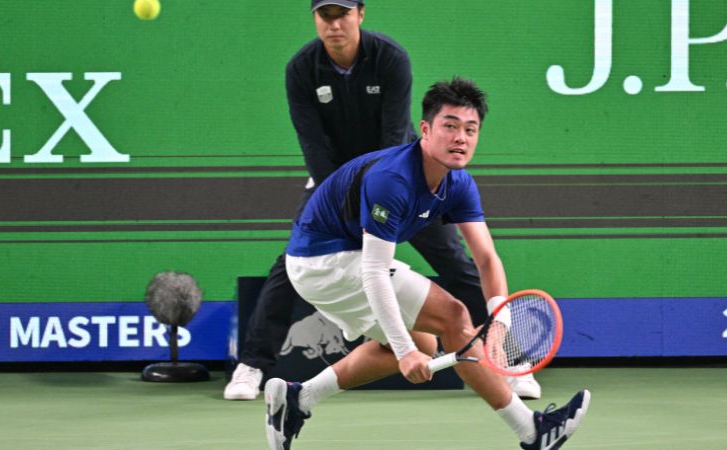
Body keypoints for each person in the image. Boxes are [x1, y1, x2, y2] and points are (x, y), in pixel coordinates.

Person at [224, 0, 540, 401]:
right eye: (326, 15)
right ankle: (252, 366)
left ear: (360, 14)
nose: (335, 24)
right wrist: (346, 200)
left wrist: (390, 194)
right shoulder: (301, 69)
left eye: (343, 14)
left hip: (403, 178)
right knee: (289, 265)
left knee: (456, 262)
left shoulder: (389, 59)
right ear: (315, 19)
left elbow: (395, 135)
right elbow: (313, 144)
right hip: (334, 183)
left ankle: (507, 357)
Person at [264, 78, 590, 450]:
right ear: (425, 129)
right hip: (322, 260)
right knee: (452, 317)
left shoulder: (459, 183)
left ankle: (297, 400)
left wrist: (499, 320)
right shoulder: (393, 180)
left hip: (338, 259)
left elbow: (486, 257)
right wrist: (406, 356)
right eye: (449, 126)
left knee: (424, 339)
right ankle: (532, 431)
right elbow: (373, 271)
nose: (460, 138)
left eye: (471, 129)